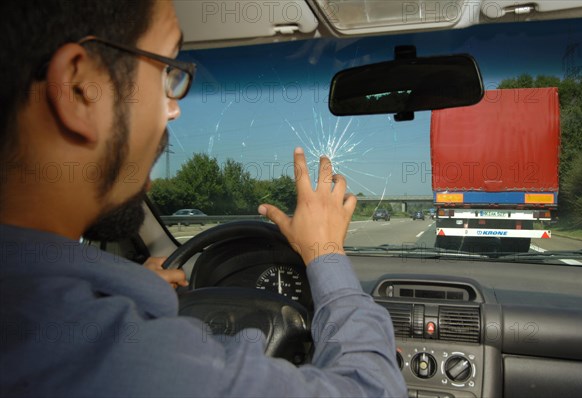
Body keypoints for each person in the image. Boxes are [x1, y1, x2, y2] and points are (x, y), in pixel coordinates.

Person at [0, 1, 407, 397]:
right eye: (167, 73)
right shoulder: (122, 362)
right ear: (79, 87)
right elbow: (373, 388)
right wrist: (325, 254)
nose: (174, 110)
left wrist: (124, 292)